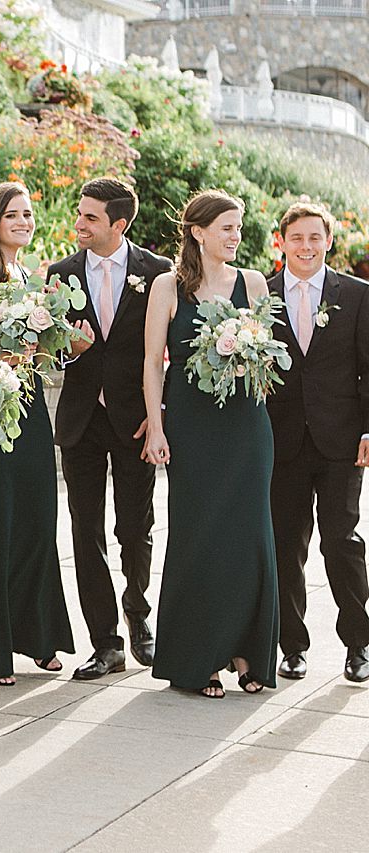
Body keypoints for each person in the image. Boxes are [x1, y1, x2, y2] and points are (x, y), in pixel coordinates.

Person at [141, 189, 279, 698]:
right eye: (227, 227)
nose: (236, 237)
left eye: (239, 228)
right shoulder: (167, 287)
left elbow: (268, 355)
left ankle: (247, 652)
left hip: (247, 428)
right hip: (194, 431)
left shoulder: (255, 282)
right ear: (198, 232)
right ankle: (200, 658)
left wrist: (249, 353)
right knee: (199, 537)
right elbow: (153, 363)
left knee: (249, 540)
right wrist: (155, 427)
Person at [0, 181, 75, 689]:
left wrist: (57, 340)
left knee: (37, 516)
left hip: (29, 408)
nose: (24, 221)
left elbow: (41, 352)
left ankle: (38, 635)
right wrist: (6, 356)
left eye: (28, 213)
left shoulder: (31, 274)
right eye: (13, 215)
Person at [49, 179, 171, 680]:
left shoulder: (158, 273)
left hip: (136, 420)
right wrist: (66, 350)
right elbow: (50, 348)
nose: (79, 224)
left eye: (91, 218)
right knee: (85, 531)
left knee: (135, 528)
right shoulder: (60, 273)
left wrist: (157, 412)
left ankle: (138, 617)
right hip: (81, 420)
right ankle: (105, 642)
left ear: (119, 225)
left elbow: (167, 351)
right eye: (79, 214)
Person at [265, 201, 369, 683]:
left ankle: (358, 643)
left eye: (315, 238)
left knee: (341, 542)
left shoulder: (358, 295)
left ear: (329, 241)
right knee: (287, 544)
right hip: (281, 442)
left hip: (341, 440)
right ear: (281, 241)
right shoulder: (258, 295)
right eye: (296, 238)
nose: (305, 247)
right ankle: (293, 646)